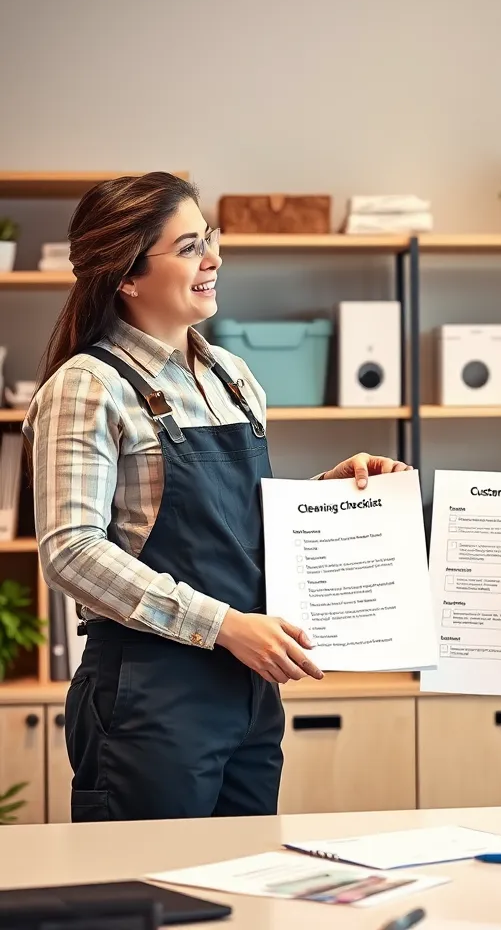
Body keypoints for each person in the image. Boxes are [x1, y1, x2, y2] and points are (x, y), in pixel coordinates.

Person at [24, 172, 411, 823]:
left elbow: (237, 526)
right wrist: (225, 627)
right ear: (127, 276)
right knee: (150, 901)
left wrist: (331, 496)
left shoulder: (232, 376)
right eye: (188, 247)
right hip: (150, 698)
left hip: (249, 690)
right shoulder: (88, 386)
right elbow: (71, 552)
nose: (214, 259)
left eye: (210, 239)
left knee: (244, 889)